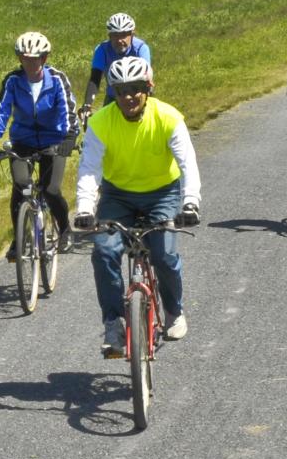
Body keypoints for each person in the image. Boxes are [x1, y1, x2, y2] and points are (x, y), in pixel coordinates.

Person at [72, 56, 201, 356]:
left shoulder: (169, 117)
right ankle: (113, 322)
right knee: (104, 251)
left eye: (135, 89)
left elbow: (187, 164)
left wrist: (191, 203)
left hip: (163, 193)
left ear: (148, 88)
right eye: (120, 91)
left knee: (164, 254)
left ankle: (174, 310)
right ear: (113, 93)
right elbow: (90, 169)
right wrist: (84, 209)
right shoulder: (101, 121)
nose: (128, 97)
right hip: (118, 196)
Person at [0, 31, 80, 260]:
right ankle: (19, 238)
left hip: (53, 141)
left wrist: (69, 138)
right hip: (22, 141)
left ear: (44, 59)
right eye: (25, 58)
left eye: (35, 58)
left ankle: (64, 228)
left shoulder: (57, 79)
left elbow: (68, 111)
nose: (29, 63)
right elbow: (2, 110)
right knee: (20, 185)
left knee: (51, 189)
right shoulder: (13, 81)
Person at [77, 12, 152, 124]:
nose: (119, 40)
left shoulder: (141, 48)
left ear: (132, 34)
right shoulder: (102, 50)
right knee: (105, 128)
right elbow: (95, 79)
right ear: (109, 36)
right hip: (114, 97)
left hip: (138, 96)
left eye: (123, 35)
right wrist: (87, 105)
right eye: (115, 35)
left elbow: (147, 78)